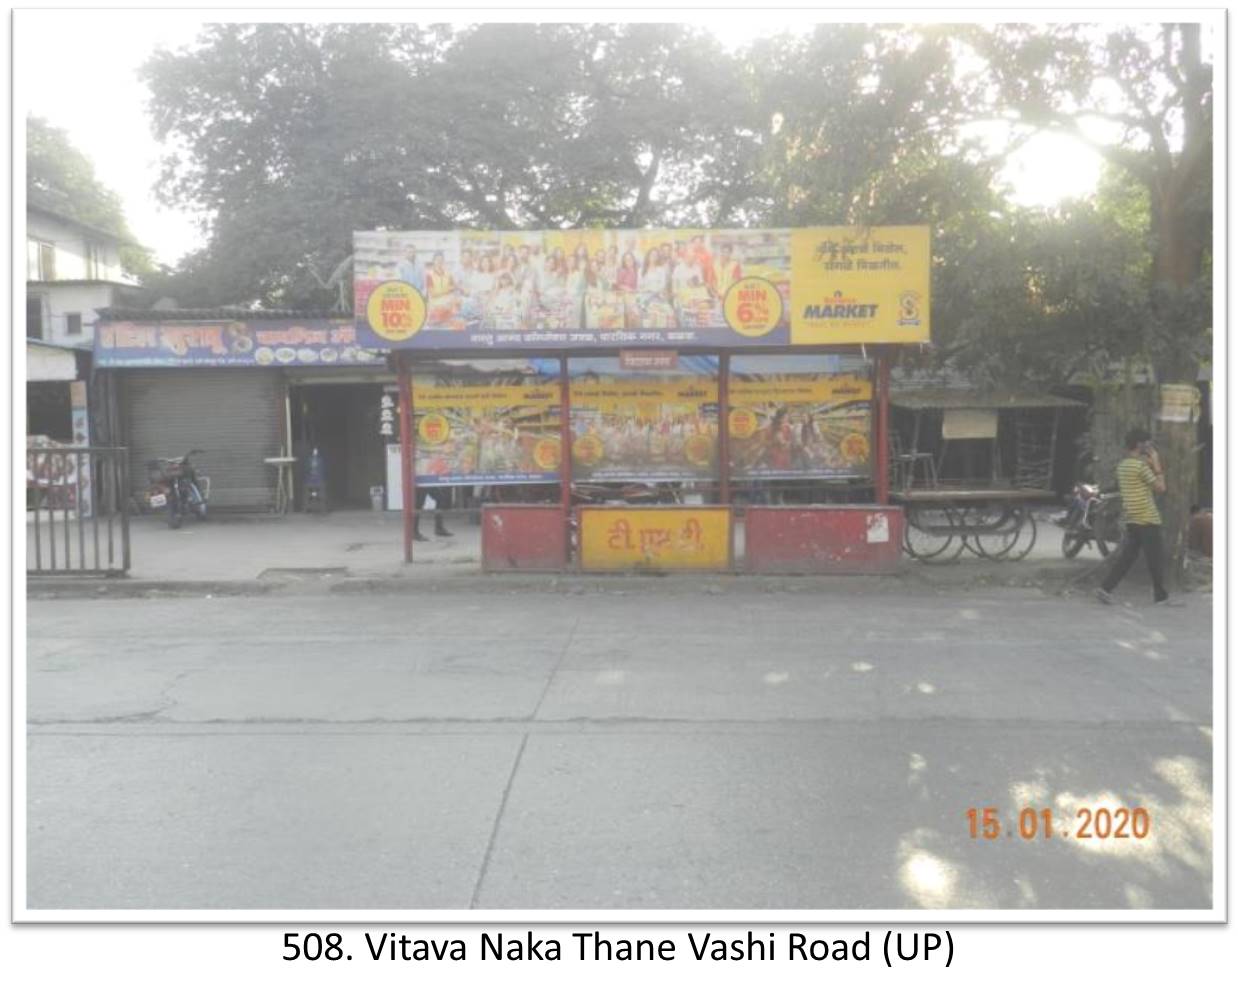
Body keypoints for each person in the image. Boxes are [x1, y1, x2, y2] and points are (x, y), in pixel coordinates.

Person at [1096, 428, 1180, 606]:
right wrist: (1156, 465)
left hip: (1133, 518)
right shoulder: (1141, 466)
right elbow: (1160, 488)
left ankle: (1105, 588)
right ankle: (1161, 597)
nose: (1149, 447)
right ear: (1139, 444)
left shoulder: (1123, 466)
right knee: (1155, 558)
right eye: (1147, 443)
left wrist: (1148, 465)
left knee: (1128, 557)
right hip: (1148, 518)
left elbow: (1138, 482)